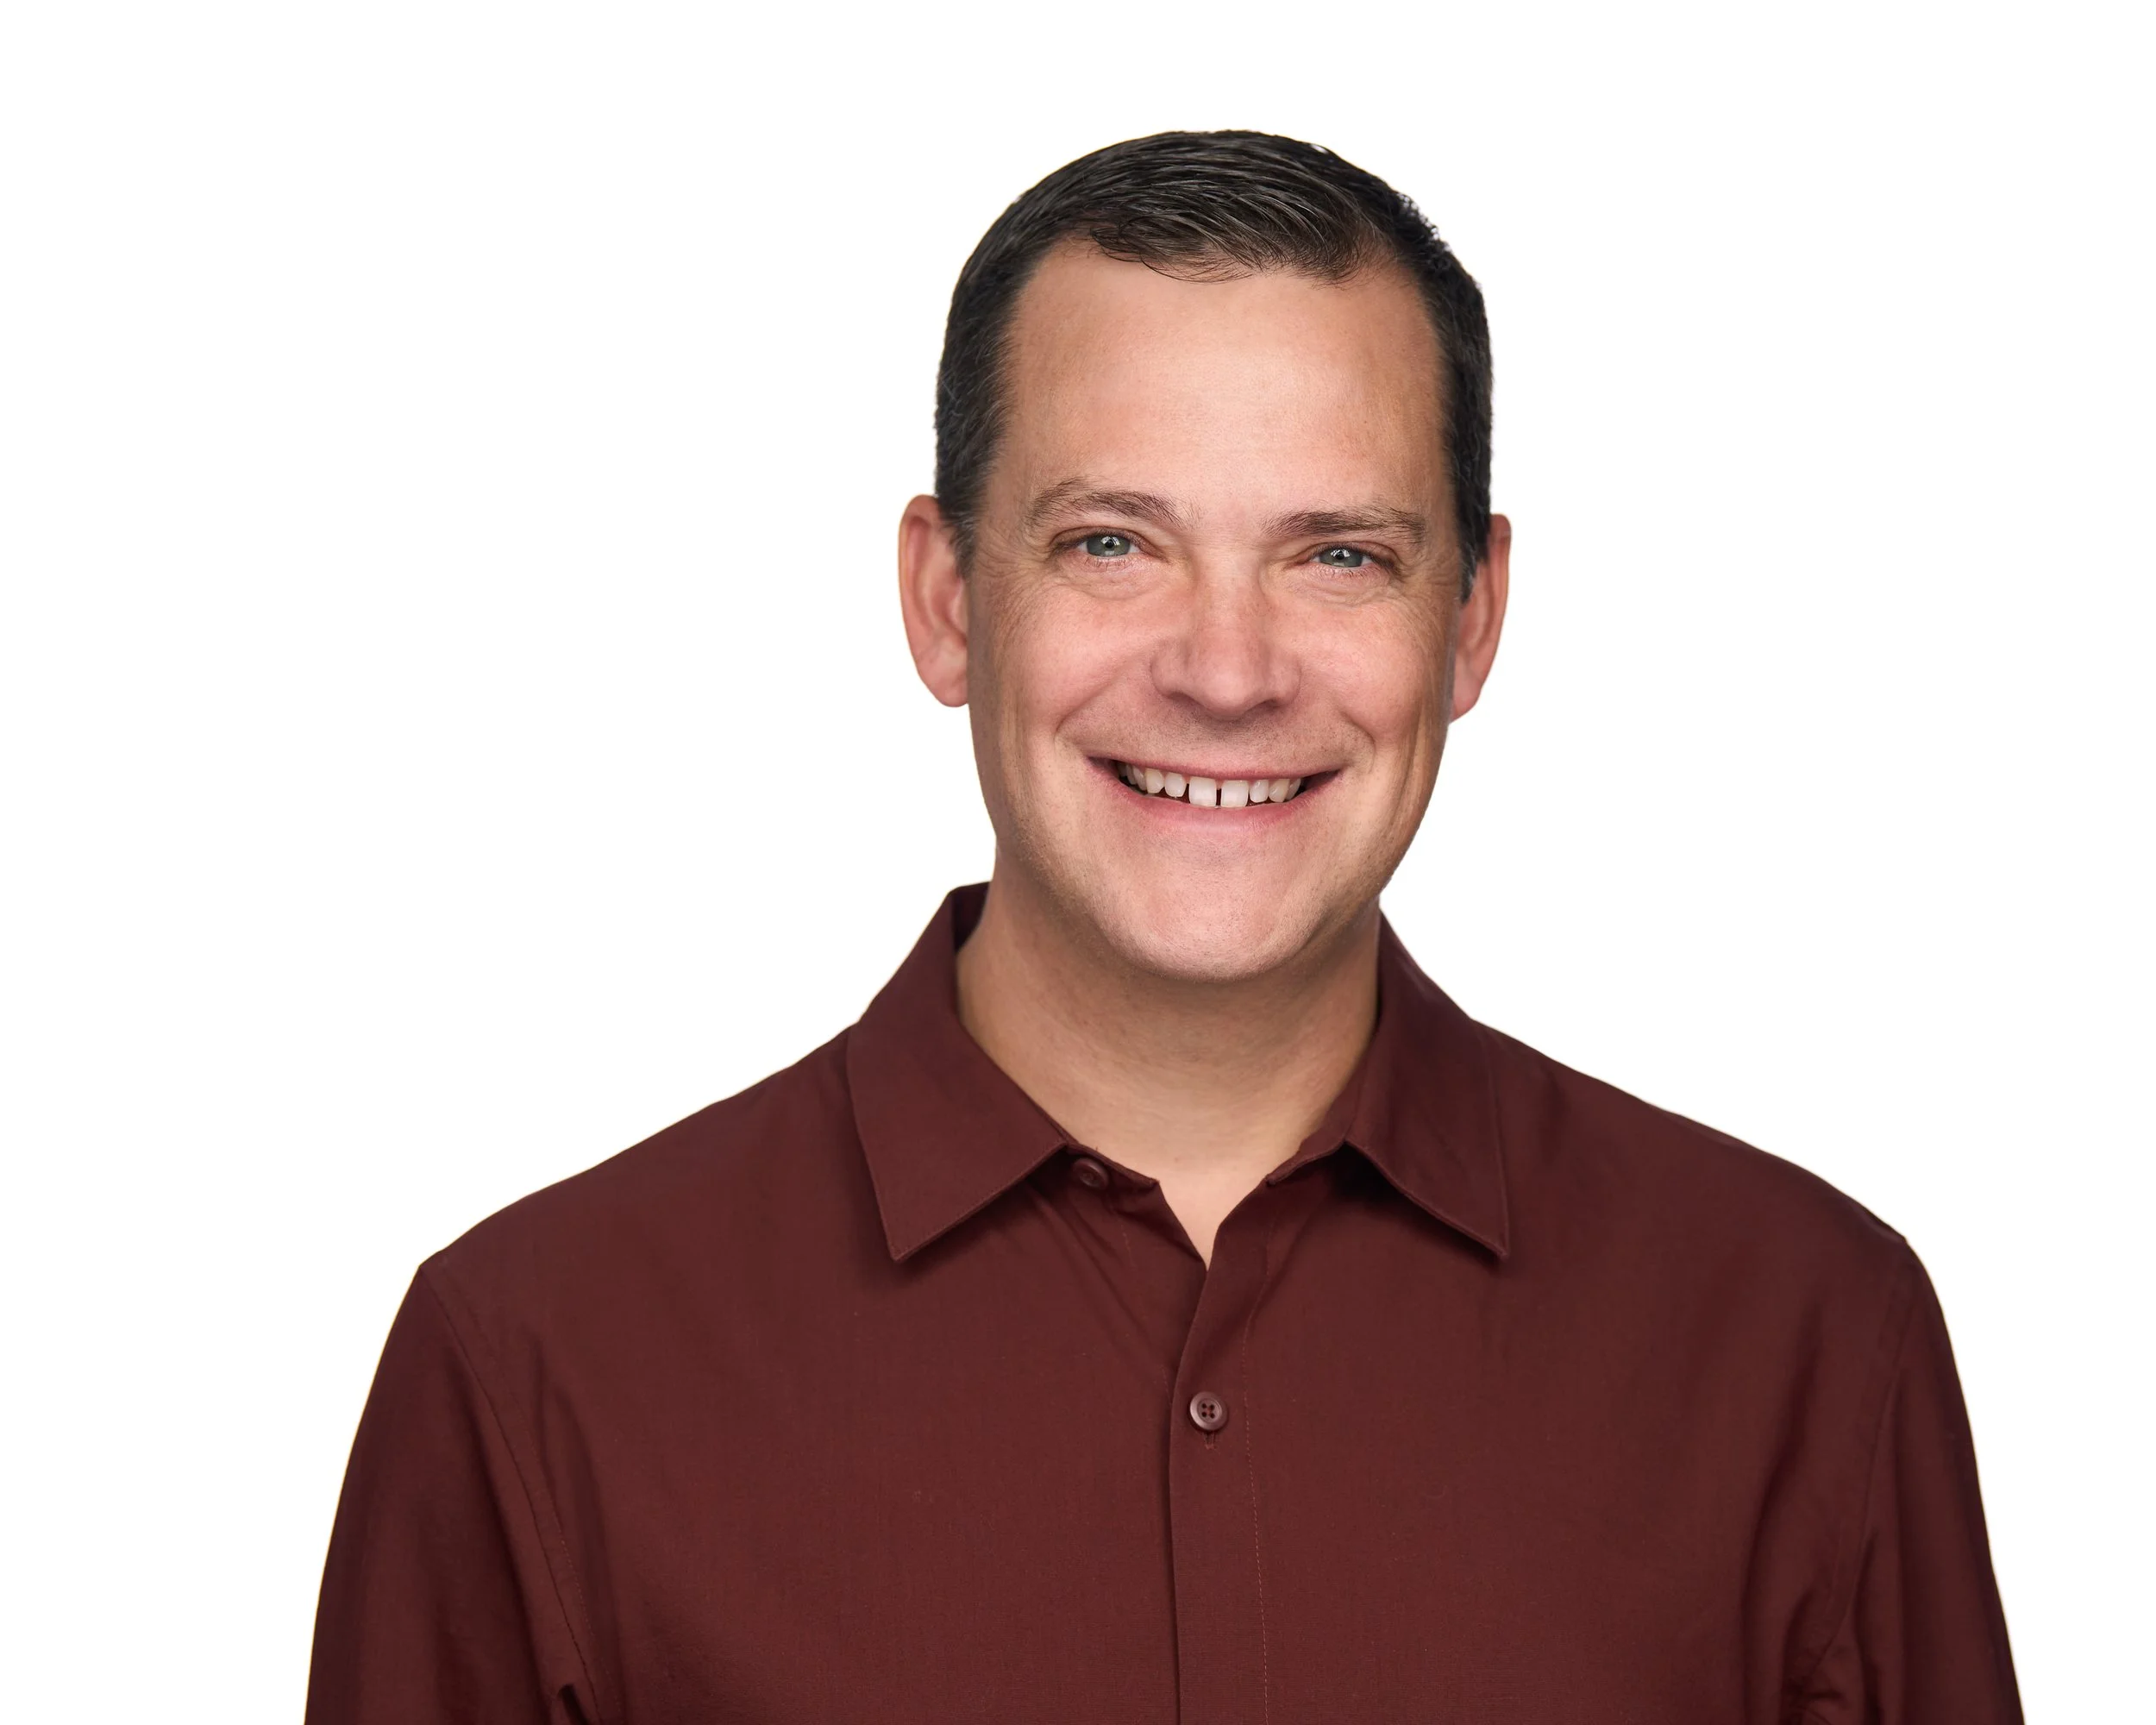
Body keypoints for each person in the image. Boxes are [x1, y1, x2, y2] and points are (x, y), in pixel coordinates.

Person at [306, 131, 2021, 1723]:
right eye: (1112, 543)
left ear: (1470, 620)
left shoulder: (1802, 1336)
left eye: (1336, 556)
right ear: (946, 599)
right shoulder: (538, 1362)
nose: (1223, 667)